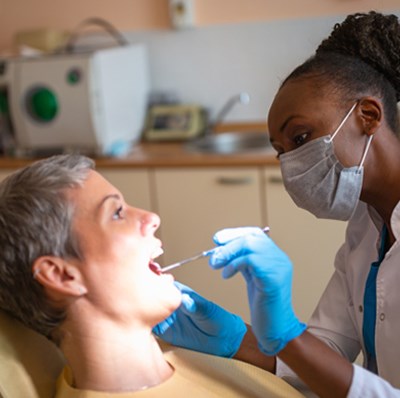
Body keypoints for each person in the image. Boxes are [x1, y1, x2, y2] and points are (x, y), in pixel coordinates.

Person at [154, 11, 400, 398]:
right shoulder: (366, 229)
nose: (291, 166)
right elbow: (328, 351)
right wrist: (237, 339)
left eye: (300, 137)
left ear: (368, 116)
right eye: (280, 153)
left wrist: (287, 334)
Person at [0, 154, 303, 398]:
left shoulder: (194, 361)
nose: (152, 218)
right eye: (116, 212)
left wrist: (247, 345)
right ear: (62, 275)